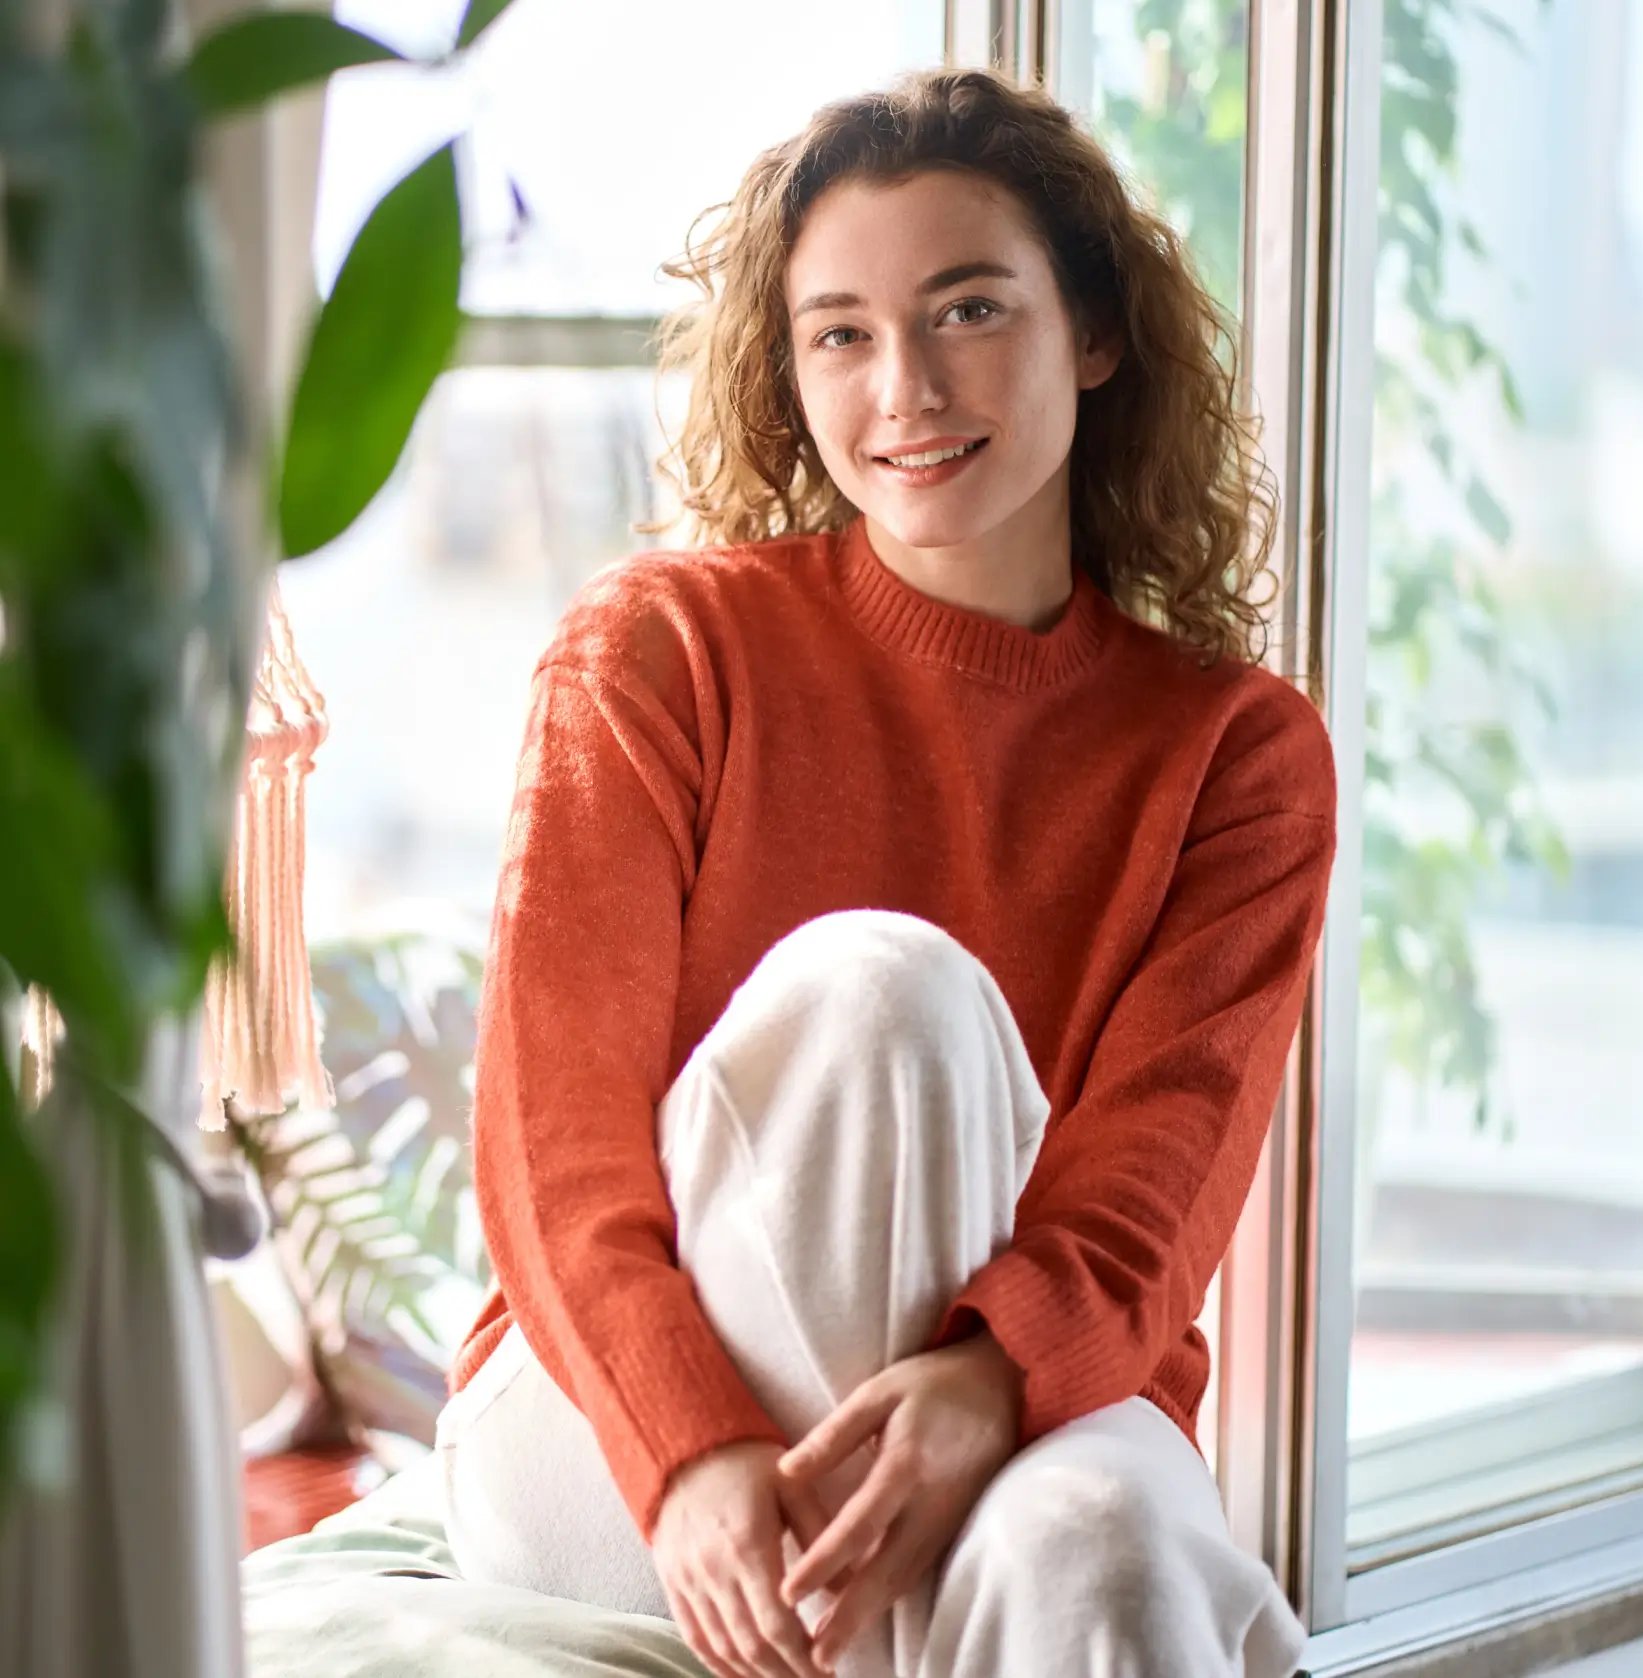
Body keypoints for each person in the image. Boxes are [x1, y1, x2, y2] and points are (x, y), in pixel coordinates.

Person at [435, 65, 1337, 1678]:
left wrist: (989, 1383)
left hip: (1020, 1401)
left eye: (968, 309)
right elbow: (549, 1141)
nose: (903, 386)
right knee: (883, 991)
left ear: (1098, 333)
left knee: (1105, 1545)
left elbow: (1158, 1184)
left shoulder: (1238, 756)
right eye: (839, 332)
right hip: (604, 1428)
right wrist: (693, 1446)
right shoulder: (659, 651)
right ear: (790, 373)